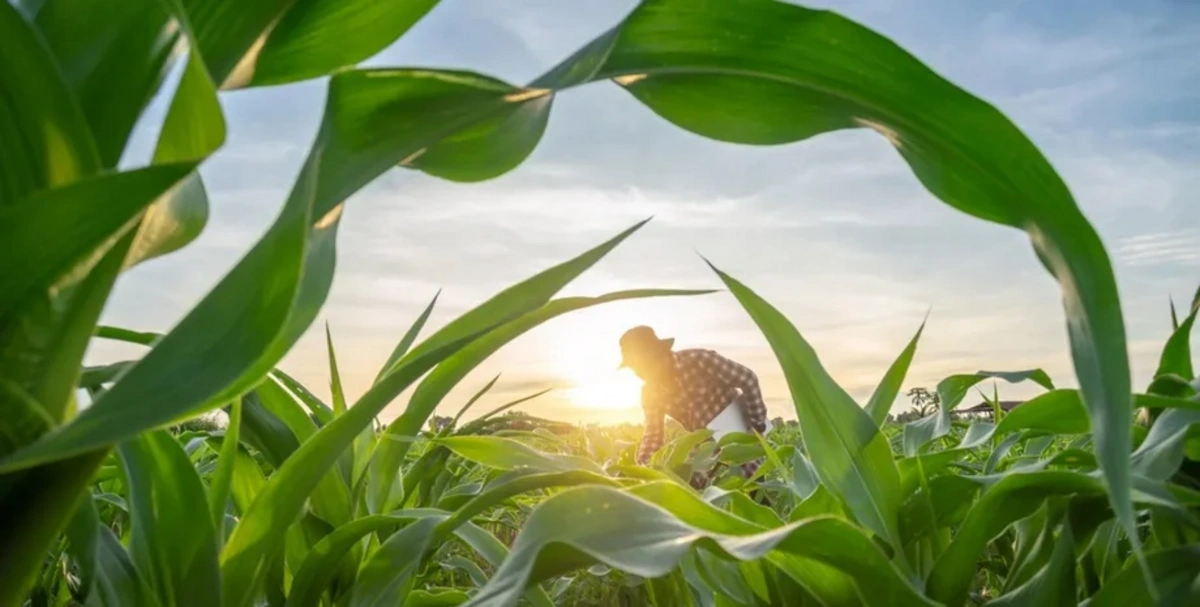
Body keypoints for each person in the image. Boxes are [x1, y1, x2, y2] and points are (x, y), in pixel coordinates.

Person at [618, 325, 769, 488]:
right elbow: (653, 435)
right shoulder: (650, 392)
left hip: (737, 431)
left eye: (641, 368)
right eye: (635, 370)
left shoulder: (699, 360)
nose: (639, 375)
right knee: (691, 488)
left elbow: (747, 379)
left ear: (659, 356)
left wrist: (757, 423)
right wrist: (646, 470)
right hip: (704, 442)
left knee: (754, 483)